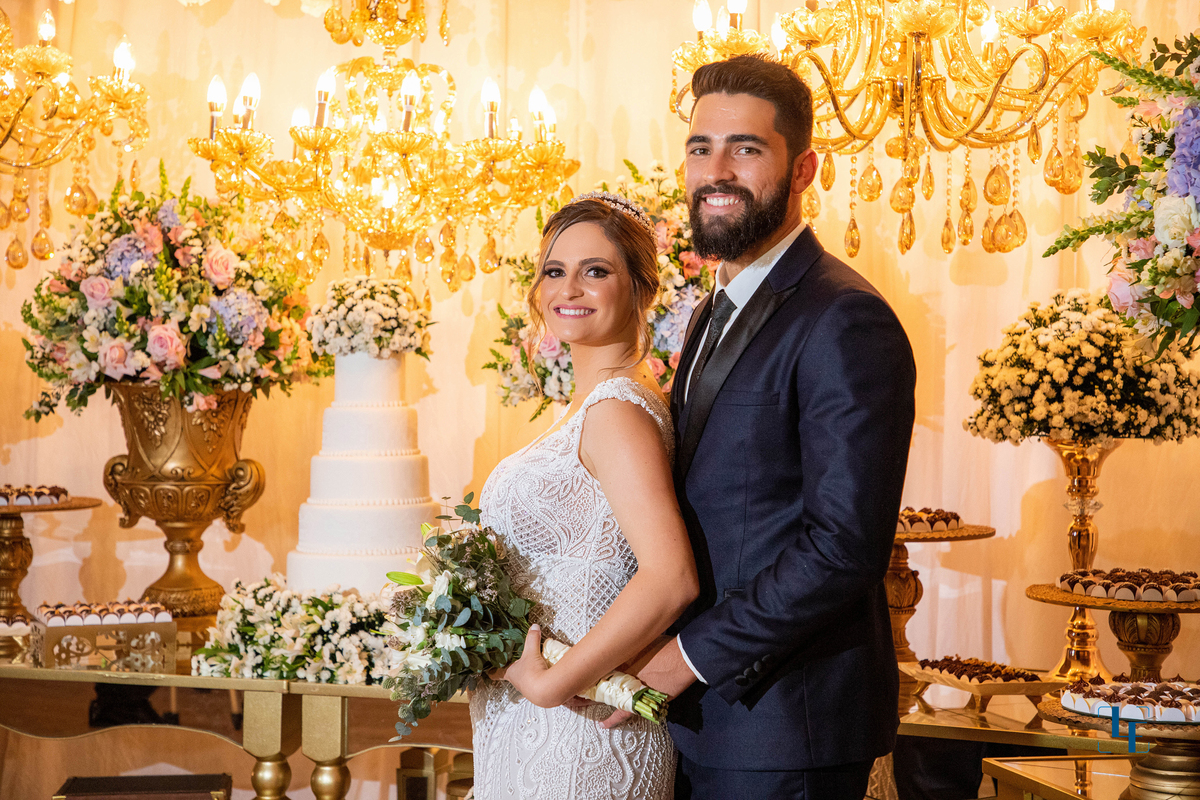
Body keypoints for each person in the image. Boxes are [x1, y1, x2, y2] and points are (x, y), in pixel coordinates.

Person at [602, 54, 918, 799]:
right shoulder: (713, 307)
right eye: (699, 148)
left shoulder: (844, 317)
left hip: (785, 724)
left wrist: (686, 658)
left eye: (745, 149)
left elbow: (843, 547)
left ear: (804, 169)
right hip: (708, 721)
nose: (715, 172)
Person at [470, 193, 700, 799]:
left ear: (642, 288)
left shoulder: (616, 412)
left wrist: (552, 683)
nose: (568, 289)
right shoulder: (589, 408)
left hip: (578, 730)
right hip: (536, 725)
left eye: (595, 270)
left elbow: (671, 577)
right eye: (554, 270)